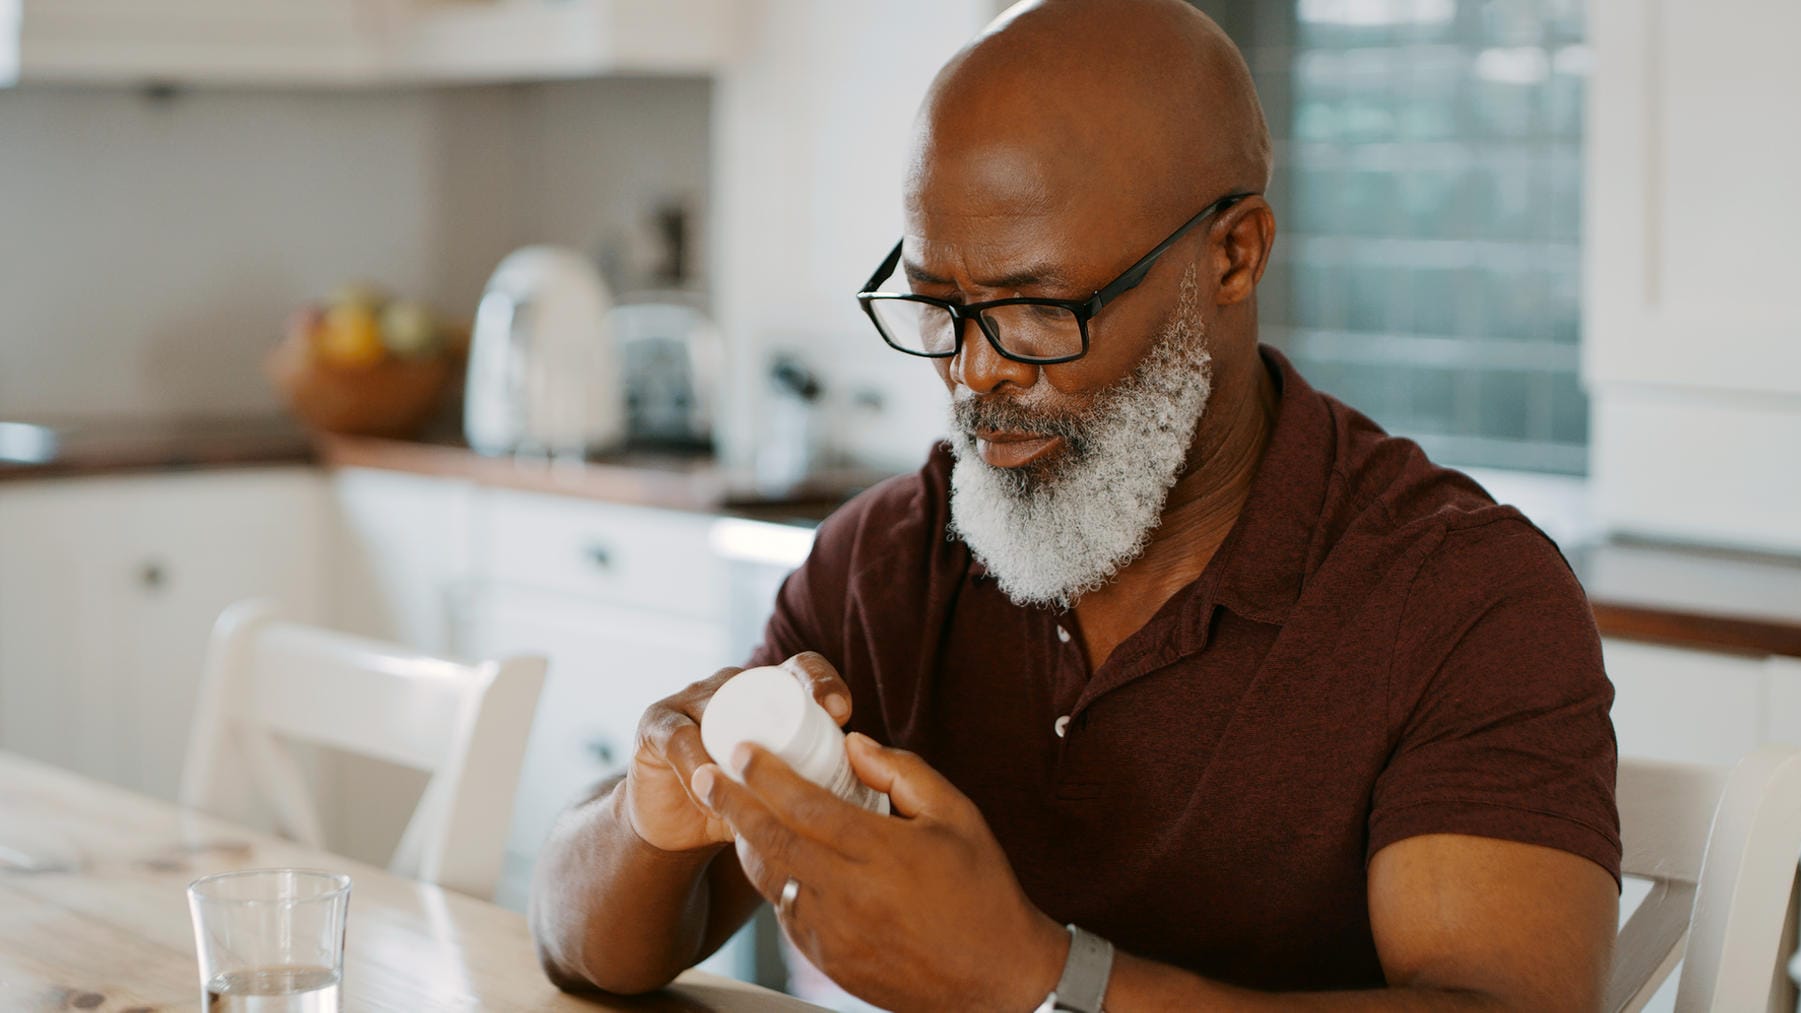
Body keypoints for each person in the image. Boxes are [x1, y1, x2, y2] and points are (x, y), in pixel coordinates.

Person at [530, 0, 1621, 1008]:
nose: (974, 373)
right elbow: (580, 943)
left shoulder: (1459, 597)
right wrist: (646, 814)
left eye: (1039, 309)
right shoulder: (888, 565)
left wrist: (1042, 980)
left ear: (1233, 256)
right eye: (938, 307)